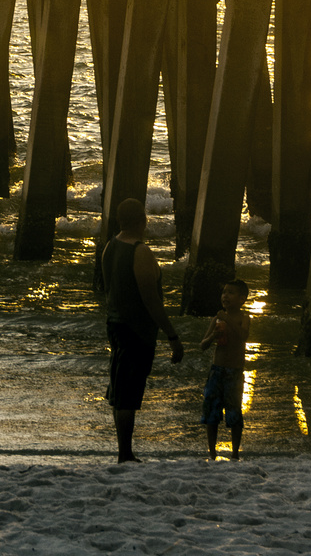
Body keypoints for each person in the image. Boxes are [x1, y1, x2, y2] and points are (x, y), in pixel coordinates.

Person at [97, 198, 183, 463]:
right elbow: (150, 299)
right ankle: (125, 453)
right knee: (128, 392)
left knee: (121, 387)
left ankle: (125, 450)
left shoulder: (109, 246)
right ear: (143, 220)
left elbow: (108, 288)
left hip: (115, 324)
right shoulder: (140, 250)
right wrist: (172, 336)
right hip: (135, 329)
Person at [198, 278, 251, 461]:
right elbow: (203, 345)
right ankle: (212, 452)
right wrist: (213, 335)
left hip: (234, 372)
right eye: (224, 292)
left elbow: (243, 336)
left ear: (242, 298)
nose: (225, 296)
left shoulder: (244, 318)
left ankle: (235, 453)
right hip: (217, 370)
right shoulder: (217, 319)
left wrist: (228, 319)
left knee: (234, 412)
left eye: (231, 292)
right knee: (211, 412)